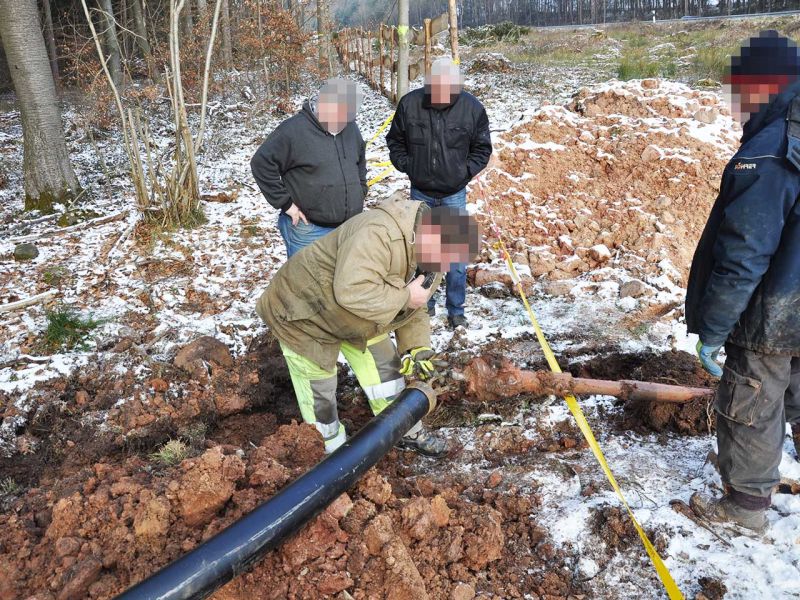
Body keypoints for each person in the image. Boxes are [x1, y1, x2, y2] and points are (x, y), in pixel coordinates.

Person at [255, 191, 481, 456]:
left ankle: (403, 430)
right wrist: (406, 295)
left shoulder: (431, 254)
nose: (446, 267)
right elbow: (352, 290)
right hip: (304, 310)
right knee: (320, 392)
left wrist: (417, 348)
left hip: (359, 313)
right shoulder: (378, 233)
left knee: (386, 369)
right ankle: (330, 456)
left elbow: (416, 305)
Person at [685, 31, 800, 533]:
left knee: (751, 399)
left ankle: (743, 509)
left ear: (763, 85)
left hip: (775, 307)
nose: (734, 106)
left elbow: (744, 252)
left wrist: (714, 328)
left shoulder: (772, 150)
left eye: (740, 92)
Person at [386, 58, 492, 329]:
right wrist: (408, 166)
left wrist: (463, 172)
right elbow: (395, 141)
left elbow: (482, 148)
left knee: (455, 258)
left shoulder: (471, 108)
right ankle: (425, 306)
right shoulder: (410, 105)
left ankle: (456, 310)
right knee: (424, 253)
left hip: (453, 192)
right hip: (421, 192)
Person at [251, 78, 367, 257]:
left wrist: (361, 188)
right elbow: (262, 163)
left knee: (341, 279)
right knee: (306, 282)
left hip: (349, 227)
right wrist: (286, 204)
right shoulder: (293, 130)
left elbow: (359, 158)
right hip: (309, 229)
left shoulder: (350, 127)